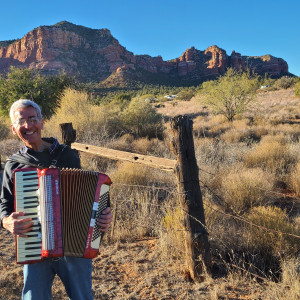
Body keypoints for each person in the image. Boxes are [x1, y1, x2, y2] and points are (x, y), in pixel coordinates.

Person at [0, 99, 112, 299]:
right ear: (13, 128)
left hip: (73, 247)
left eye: (33, 119)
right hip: (34, 245)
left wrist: (103, 214)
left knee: (82, 296)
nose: (28, 125)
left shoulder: (67, 156)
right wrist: (6, 221)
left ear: (42, 123)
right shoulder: (14, 165)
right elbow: (5, 205)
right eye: (21, 121)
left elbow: (87, 193)